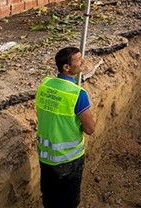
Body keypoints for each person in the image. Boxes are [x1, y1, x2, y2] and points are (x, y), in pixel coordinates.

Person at [35, 47, 96, 208]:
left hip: (46, 158)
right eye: (78, 59)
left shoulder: (45, 85)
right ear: (66, 67)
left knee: (50, 200)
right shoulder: (77, 94)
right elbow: (90, 129)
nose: (82, 61)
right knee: (69, 202)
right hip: (69, 160)